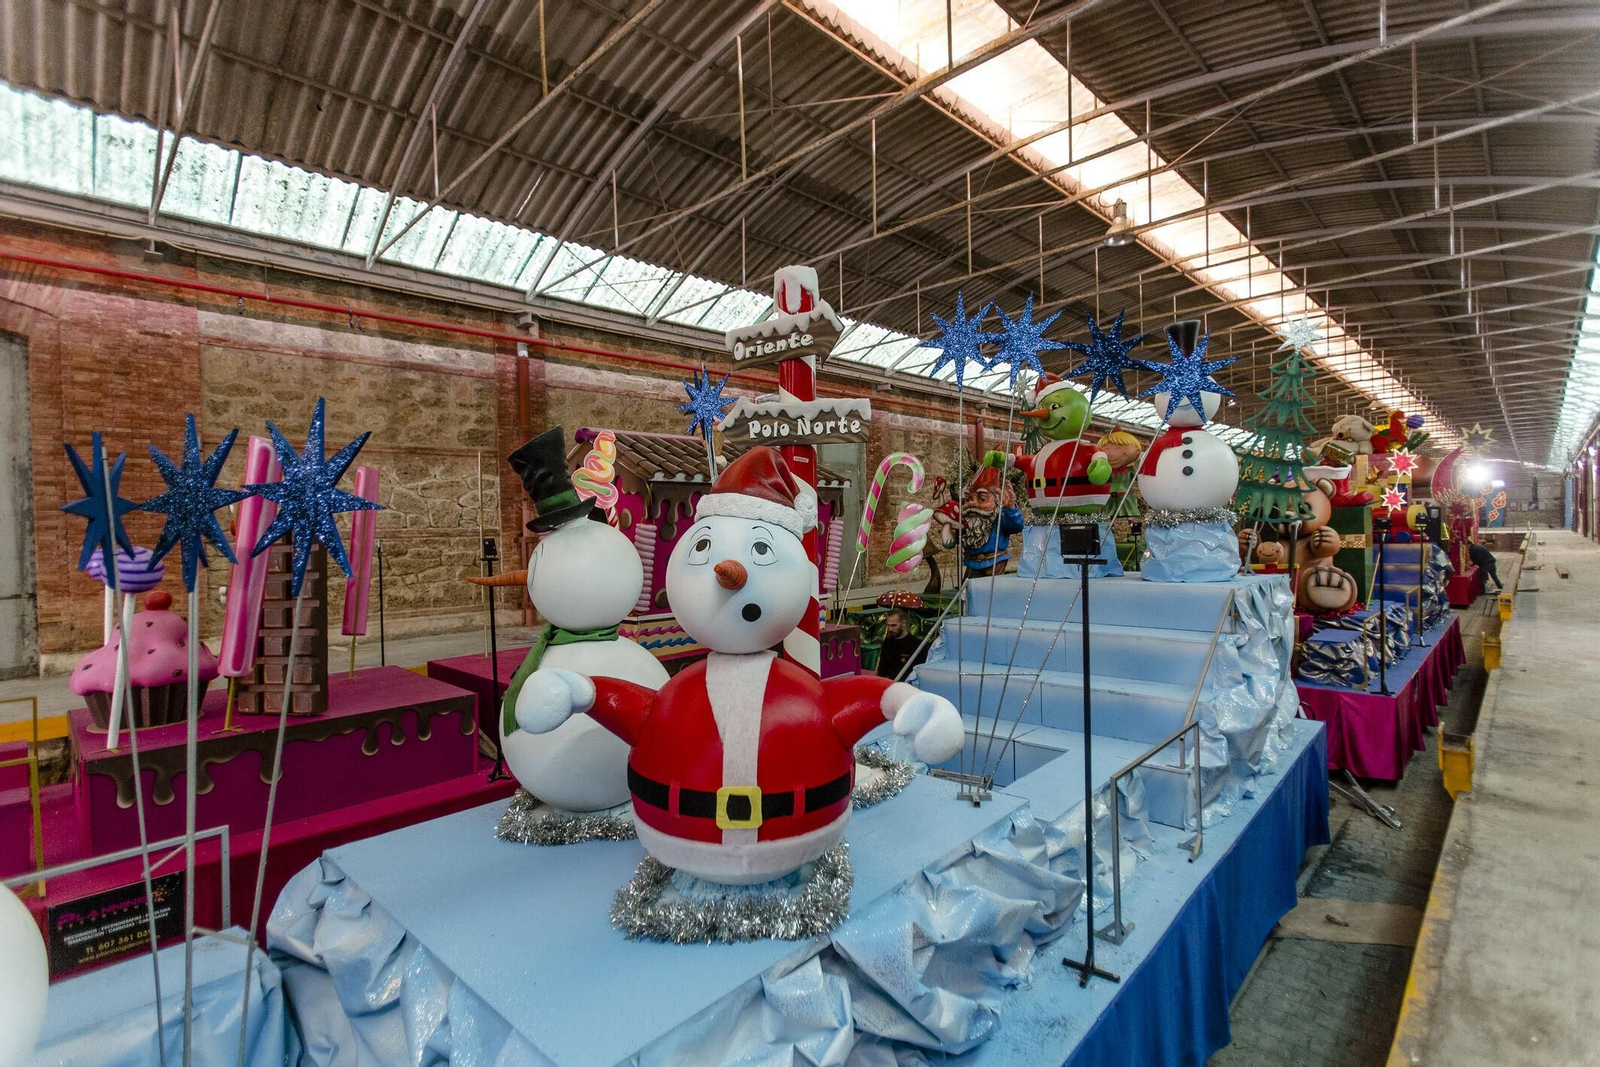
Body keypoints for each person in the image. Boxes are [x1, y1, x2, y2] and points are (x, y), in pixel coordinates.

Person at [876, 606, 928, 680]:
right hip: (892, 686)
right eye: (888, 625)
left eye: (894, 625)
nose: (890, 629)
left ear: (903, 623)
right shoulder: (887, 643)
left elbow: (922, 673)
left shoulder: (917, 645)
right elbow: (882, 670)